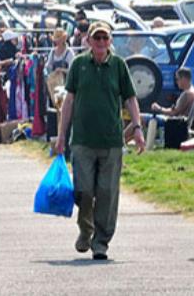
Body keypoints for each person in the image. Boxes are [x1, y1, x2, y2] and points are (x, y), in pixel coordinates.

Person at [57, 21, 145, 261]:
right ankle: (86, 230)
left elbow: (130, 99)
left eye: (105, 39)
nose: (101, 43)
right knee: (83, 191)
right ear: (89, 41)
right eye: (97, 38)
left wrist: (137, 128)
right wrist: (62, 134)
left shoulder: (118, 66)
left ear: (110, 41)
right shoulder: (78, 65)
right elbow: (69, 101)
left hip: (111, 141)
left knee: (107, 193)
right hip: (83, 139)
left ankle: (101, 243)